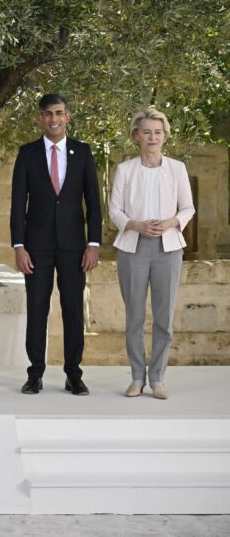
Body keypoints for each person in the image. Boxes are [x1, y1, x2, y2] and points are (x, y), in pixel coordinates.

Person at [11, 93, 102, 395]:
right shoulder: (27, 153)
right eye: (48, 113)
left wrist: (93, 243)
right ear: (40, 117)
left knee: (73, 310)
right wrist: (18, 246)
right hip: (36, 246)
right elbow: (17, 204)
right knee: (37, 308)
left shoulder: (82, 152)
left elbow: (94, 201)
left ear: (67, 116)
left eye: (59, 113)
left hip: (74, 246)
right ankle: (35, 373)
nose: (54, 119)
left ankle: (73, 374)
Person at [109, 108, 194, 399]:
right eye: (146, 132)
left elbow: (188, 208)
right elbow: (115, 210)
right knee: (134, 316)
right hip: (132, 247)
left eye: (158, 132)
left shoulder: (178, 169)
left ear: (165, 136)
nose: (153, 137)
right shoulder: (125, 170)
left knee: (163, 318)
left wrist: (170, 222)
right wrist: (136, 225)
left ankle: (157, 378)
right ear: (136, 136)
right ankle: (137, 377)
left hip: (168, 249)